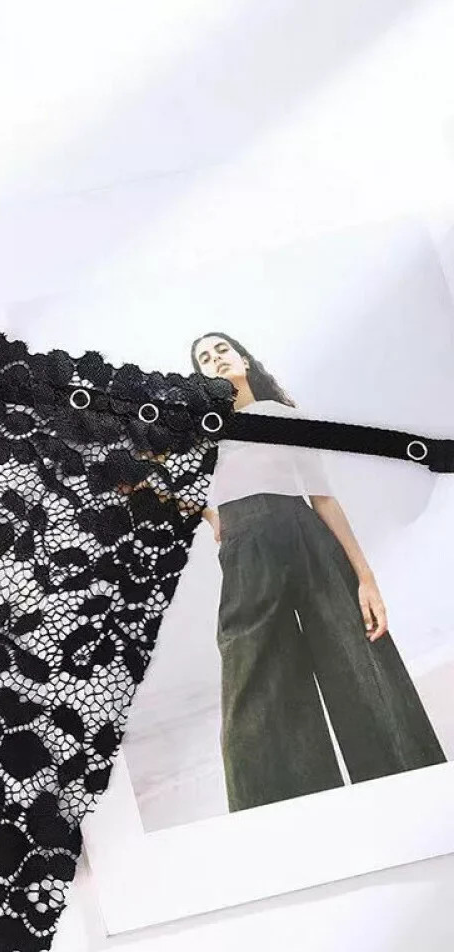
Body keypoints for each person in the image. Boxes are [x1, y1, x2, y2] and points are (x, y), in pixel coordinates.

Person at [190, 333, 446, 812]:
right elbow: (149, 477)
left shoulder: (284, 417)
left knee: (360, 663)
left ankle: (412, 802)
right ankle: (290, 819)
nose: (216, 359)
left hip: (307, 537)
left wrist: (366, 579)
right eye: (205, 358)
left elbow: (323, 498)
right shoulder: (201, 432)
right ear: (199, 377)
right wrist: (212, 516)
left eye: (222, 349)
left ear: (243, 358)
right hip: (246, 553)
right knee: (256, 693)